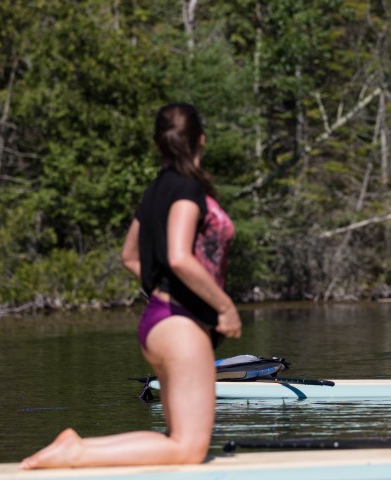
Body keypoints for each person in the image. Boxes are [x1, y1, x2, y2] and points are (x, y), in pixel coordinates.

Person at [20, 103, 242, 469]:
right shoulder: (187, 190)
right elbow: (179, 256)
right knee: (190, 449)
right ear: (202, 140)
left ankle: (75, 445)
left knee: (179, 443)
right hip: (181, 326)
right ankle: (76, 454)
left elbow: (129, 255)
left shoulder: (156, 189)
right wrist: (224, 307)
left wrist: (161, 291)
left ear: (159, 145)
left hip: (158, 321)